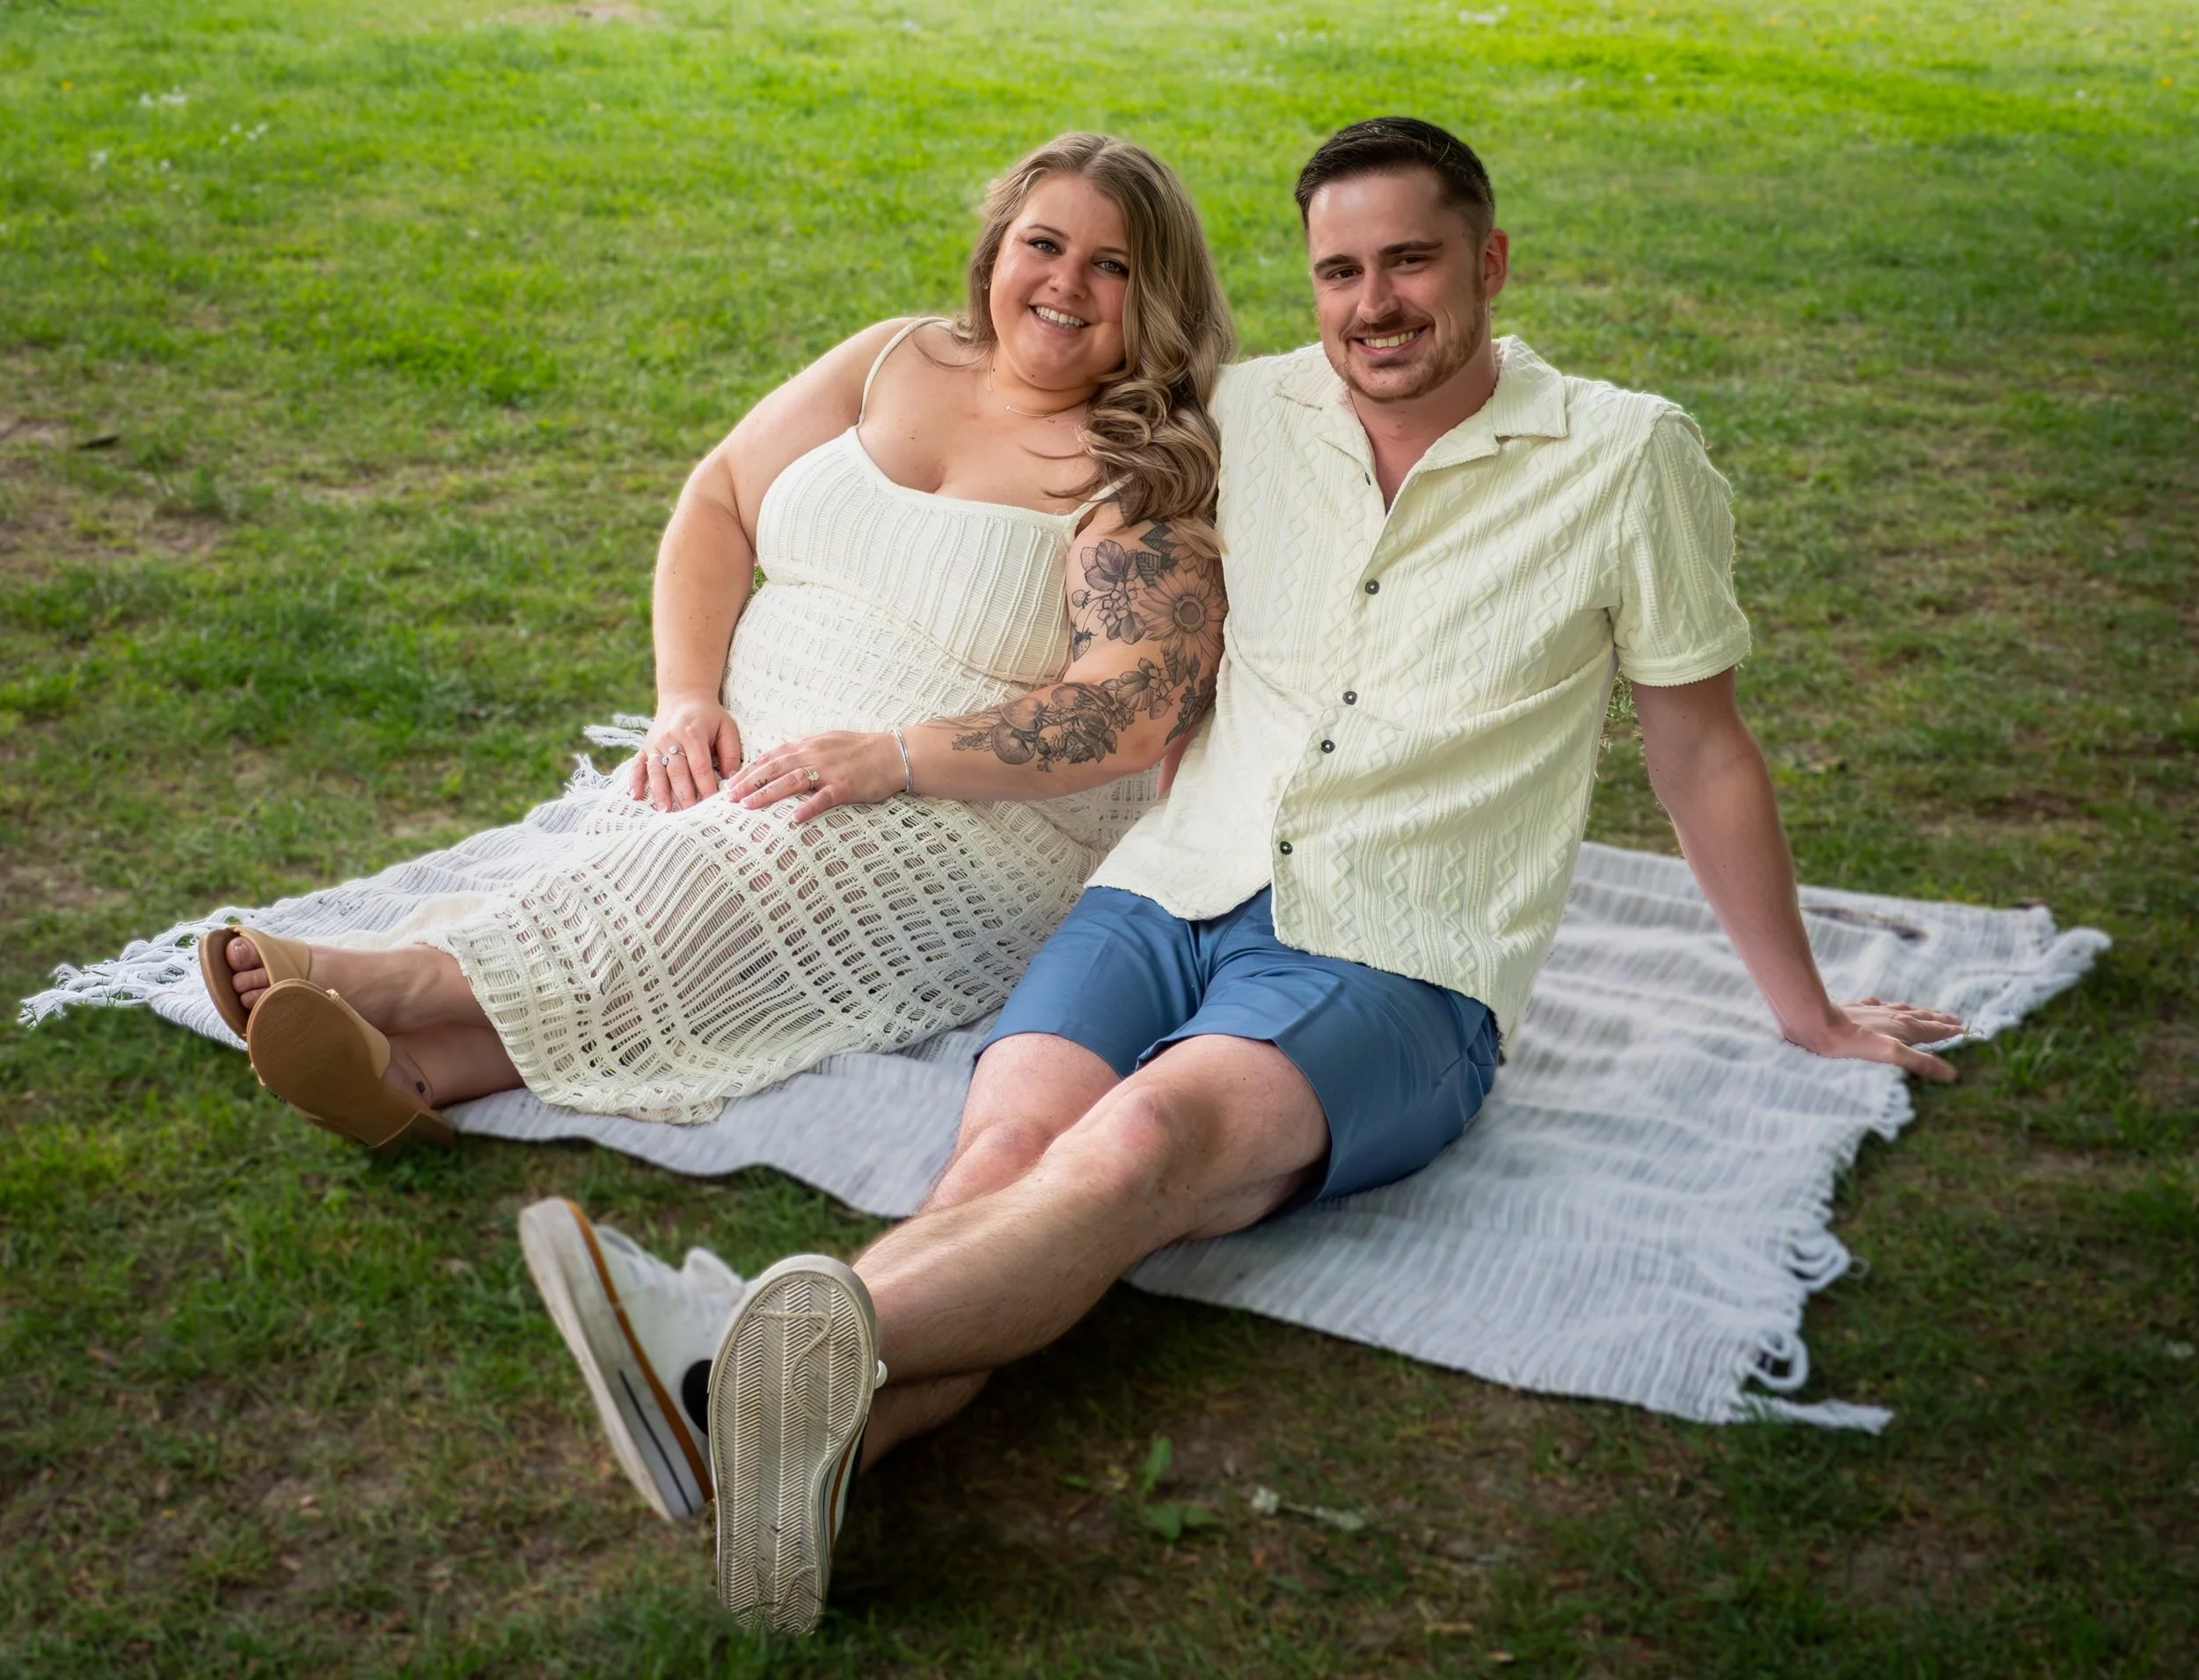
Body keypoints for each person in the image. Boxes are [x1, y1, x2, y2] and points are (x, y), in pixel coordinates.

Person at [518, 118, 1968, 1633]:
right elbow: (1055, 460)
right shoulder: (1248, 412)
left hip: (1398, 945)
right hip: (1163, 885)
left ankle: (726, 1351)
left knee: (1134, 1150)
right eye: (1340, 270)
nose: (1374, 303)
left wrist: (1802, 1006)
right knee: (1003, 1162)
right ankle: (799, 1453)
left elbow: (1703, 753)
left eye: (1411, 260)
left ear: (1490, 261)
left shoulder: (1624, 453)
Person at [186, 135, 1234, 1151]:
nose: (1067, 283)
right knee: (685, 839)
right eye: (1043, 245)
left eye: (1113, 267)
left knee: (752, 858)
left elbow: (1127, 708)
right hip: (766, 740)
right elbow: (720, 501)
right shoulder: (892, 358)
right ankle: (420, 1074)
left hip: (973, 816)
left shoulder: (1141, 470)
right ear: (996, 250)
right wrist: (686, 699)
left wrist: (891, 756)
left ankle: (401, 979)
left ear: (1155, 302)